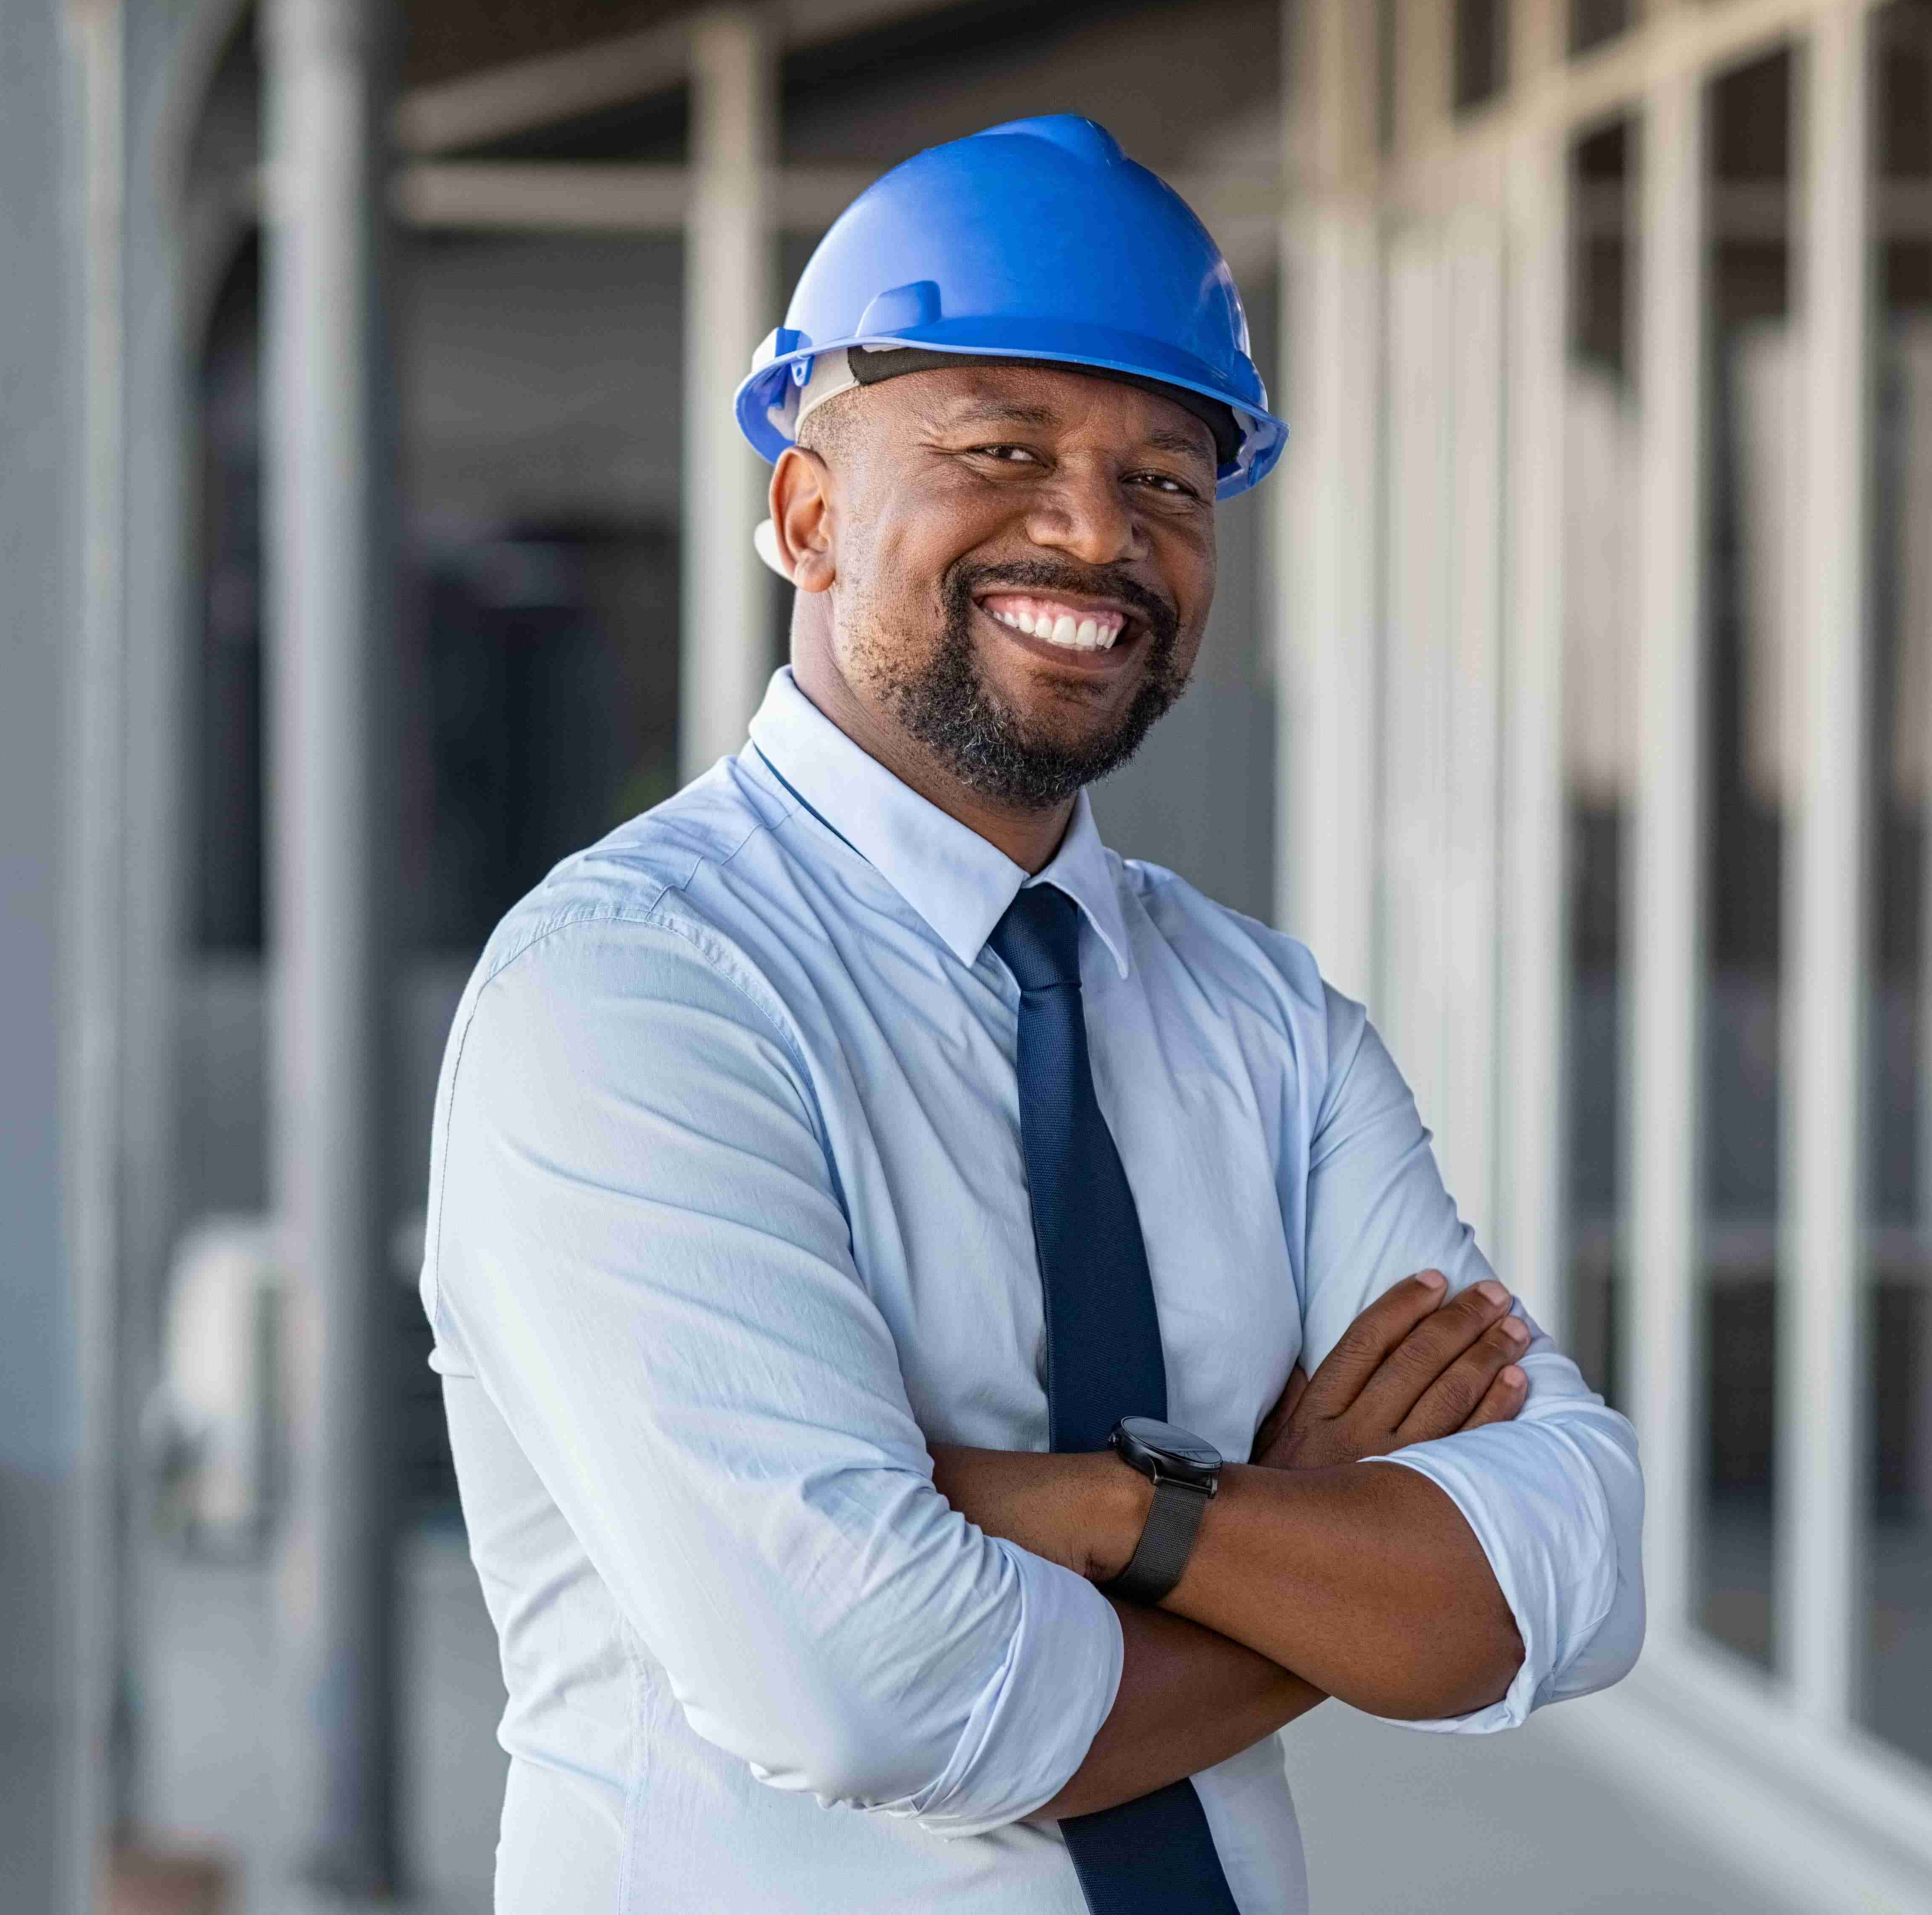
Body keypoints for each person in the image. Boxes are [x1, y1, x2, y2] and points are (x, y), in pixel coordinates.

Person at [421, 115, 1643, 1915]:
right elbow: (877, 1692)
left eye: (1169, 478)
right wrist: (1307, 1540)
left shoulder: (1268, 1021)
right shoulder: (633, 995)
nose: (1097, 532)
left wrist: (1111, 1512)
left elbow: (1576, 1566)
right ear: (809, 512)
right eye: (1003, 447)